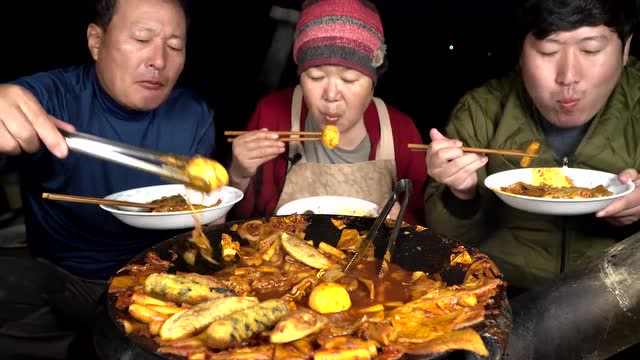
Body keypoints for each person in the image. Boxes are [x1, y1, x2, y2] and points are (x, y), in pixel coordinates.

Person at [0, 0, 215, 358]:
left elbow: (201, 218)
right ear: (96, 41)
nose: (159, 60)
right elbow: (11, 113)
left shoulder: (194, 115)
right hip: (66, 282)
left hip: (157, 284)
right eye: (142, 38)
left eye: (175, 46)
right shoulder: (51, 96)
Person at [423, 0, 640, 291]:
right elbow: (446, 245)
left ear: (625, 49)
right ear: (521, 53)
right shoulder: (481, 112)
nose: (568, 77)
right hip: (501, 295)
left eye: (591, 50)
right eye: (548, 51)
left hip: (620, 301)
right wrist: (461, 195)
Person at [228, 0, 427, 224]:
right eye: (316, 77)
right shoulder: (271, 115)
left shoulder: (401, 132)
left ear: (373, 81)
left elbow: (420, 219)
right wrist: (238, 175)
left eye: (349, 79)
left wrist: (402, 223)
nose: (331, 94)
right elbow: (242, 222)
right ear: (299, 76)